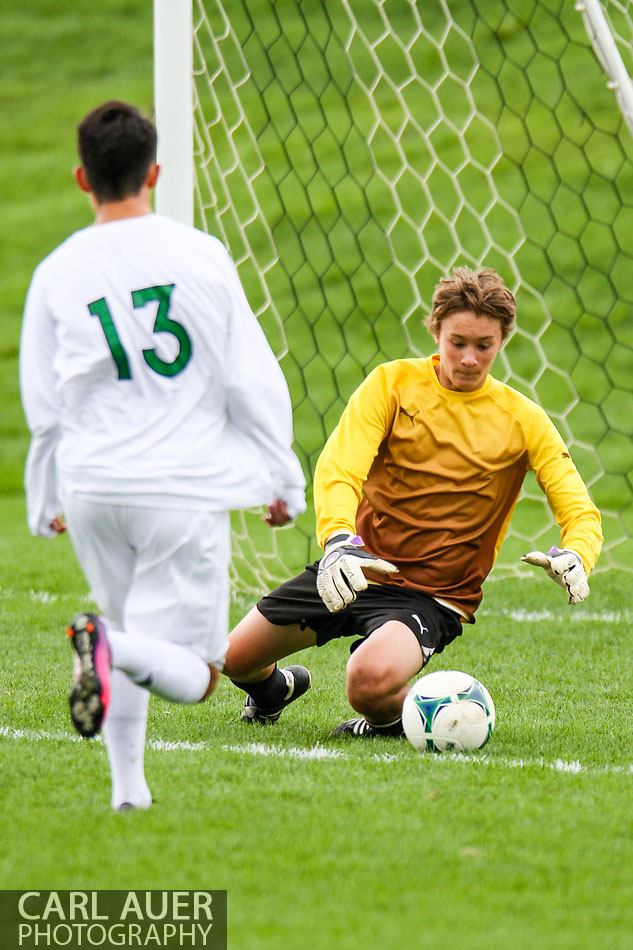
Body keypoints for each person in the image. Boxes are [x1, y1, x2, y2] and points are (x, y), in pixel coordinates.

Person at [19, 100, 306, 808]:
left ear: (82, 180)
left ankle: (128, 792)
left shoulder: (57, 272)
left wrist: (45, 496)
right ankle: (106, 653)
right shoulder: (199, 255)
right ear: (154, 171)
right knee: (199, 672)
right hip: (179, 487)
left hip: (93, 487)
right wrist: (281, 476)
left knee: (125, 635)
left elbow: (43, 400)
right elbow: (248, 374)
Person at [223, 266, 603, 737]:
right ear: (435, 330)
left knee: (366, 683)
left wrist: (576, 554)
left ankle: (398, 719)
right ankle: (274, 691)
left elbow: (578, 508)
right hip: (356, 568)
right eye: (457, 342)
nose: (468, 358)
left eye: (483, 345)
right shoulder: (393, 385)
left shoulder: (523, 420)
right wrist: (339, 540)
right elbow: (340, 467)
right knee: (232, 658)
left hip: (433, 595)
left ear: (503, 339)